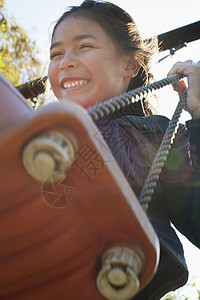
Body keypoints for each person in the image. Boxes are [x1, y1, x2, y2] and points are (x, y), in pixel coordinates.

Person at [48, 0, 200, 299]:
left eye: (84, 46)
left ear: (129, 65)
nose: (65, 61)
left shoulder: (154, 137)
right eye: (56, 53)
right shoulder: (32, 140)